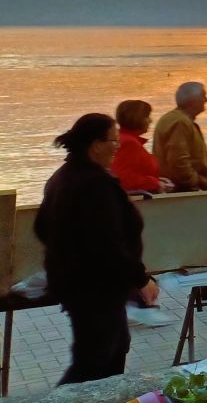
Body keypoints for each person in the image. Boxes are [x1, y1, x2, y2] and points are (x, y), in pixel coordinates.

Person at [35, 113, 160, 384]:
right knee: (94, 363)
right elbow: (109, 244)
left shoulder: (63, 176)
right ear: (95, 145)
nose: (118, 146)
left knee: (108, 350)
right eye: (113, 140)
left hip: (77, 285)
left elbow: (41, 228)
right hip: (95, 289)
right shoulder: (95, 185)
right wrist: (141, 278)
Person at [153, 82, 207, 192]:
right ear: (192, 100)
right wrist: (194, 183)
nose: (206, 100)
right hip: (183, 191)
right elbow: (178, 161)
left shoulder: (175, 119)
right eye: (203, 96)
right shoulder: (180, 122)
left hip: (180, 190)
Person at [110, 99, 173, 195]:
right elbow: (124, 178)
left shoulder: (125, 139)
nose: (151, 121)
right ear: (138, 119)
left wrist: (158, 180)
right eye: (147, 116)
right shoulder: (129, 143)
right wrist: (156, 183)